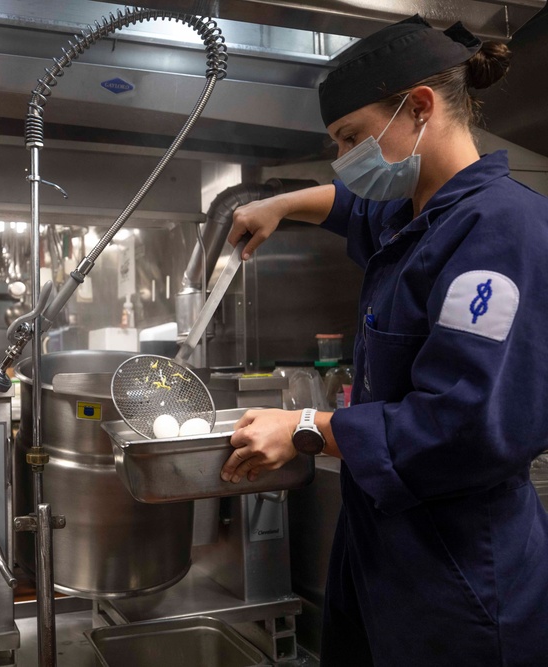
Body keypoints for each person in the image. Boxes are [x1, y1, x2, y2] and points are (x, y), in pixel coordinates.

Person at [219, 15, 548, 666]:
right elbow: (352, 206)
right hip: (384, 559)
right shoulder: (417, 213)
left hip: (462, 575)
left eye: (351, 138)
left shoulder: (500, 232)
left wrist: (308, 427)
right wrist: (280, 206)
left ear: (420, 107)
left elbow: (460, 423)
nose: (345, 160)